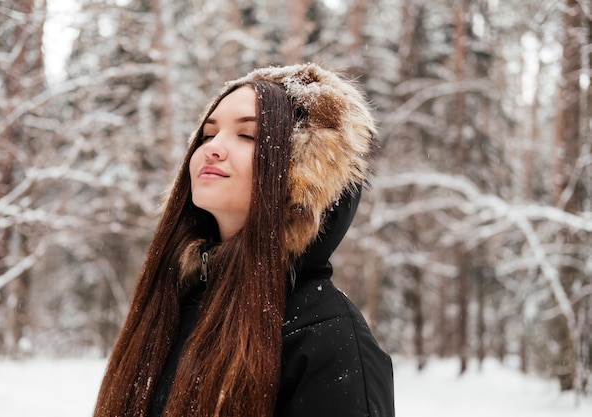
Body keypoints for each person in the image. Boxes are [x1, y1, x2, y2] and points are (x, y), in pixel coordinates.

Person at [93, 63, 395, 417]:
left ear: (297, 171)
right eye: (207, 135)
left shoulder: (326, 335)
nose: (212, 149)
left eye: (247, 136)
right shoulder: (174, 302)